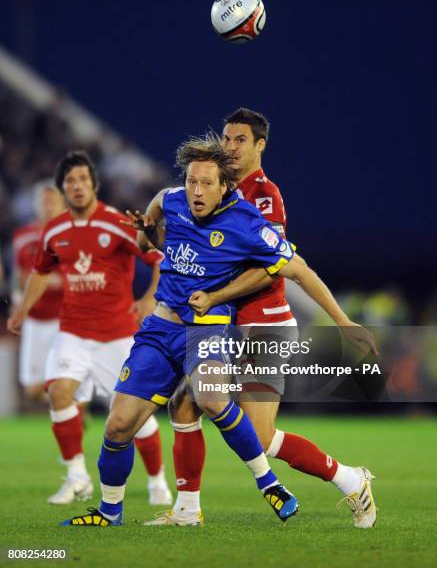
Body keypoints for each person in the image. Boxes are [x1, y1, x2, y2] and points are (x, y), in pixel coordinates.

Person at [60, 133, 375, 528]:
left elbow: (298, 270)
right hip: (160, 330)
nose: (196, 190)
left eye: (207, 183)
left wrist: (343, 322)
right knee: (124, 422)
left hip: (214, 330)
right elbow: (151, 235)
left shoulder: (247, 220)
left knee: (211, 400)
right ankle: (123, 513)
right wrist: (147, 229)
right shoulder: (170, 200)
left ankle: (272, 484)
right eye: (192, 181)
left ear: (225, 186)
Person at [147, 109, 377, 530]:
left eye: (240, 140)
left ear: (260, 146)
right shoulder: (217, 187)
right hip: (223, 327)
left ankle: (350, 478)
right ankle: (186, 510)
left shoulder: (263, 194)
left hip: (264, 325)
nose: (230, 146)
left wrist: (343, 322)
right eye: (227, 138)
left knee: (261, 437)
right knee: (184, 406)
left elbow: (277, 266)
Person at [7, 151, 172, 507]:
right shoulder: (55, 229)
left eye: (83, 180)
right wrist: (22, 310)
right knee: (59, 392)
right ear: (64, 190)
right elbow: (41, 272)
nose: (77, 186)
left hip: (117, 335)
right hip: (73, 332)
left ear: (94, 185)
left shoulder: (115, 223)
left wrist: (147, 299)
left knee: (133, 415)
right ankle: (77, 477)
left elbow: (158, 256)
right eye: (70, 182)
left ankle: (158, 481)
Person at [11, 181, 64, 400]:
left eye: (52, 201)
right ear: (36, 205)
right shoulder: (22, 236)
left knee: (63, 381)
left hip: (62, 317)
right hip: (34, 318)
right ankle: (72, 405)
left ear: (62, 204)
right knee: (32, 389)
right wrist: (17, 300)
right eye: (44, 201)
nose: (48, 205)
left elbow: (74, 276)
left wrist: (44, 280)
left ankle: (72, 407)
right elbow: (18, 274)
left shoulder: (69, 234)